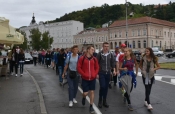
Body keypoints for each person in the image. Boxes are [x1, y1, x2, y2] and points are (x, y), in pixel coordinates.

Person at [77, 45, 99, 113]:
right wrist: (83, 74)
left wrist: (95, 74)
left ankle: (91, 106)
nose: (93, 51)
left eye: (93, 50)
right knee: (85, 93)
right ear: (88, 50)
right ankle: (84, 97)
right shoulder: (82, 58)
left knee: (92, 91)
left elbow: (97, 67)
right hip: (85, 78)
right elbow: (78, 67)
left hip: (92, 78)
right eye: (92, 49)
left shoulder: (94, 59)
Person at [97, 42, 116, 108]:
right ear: (103, 47)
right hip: (101, 73)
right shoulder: (100, 54)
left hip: (108, 73)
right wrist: (97, 73)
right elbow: (96, 63)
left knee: (106, 88)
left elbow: (113, 63)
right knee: (102, 86)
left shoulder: (110, 54)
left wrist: (114, 70)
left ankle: (104, 101)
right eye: (105, 46)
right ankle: (100, 100)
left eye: (107, 46)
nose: (106, 48)